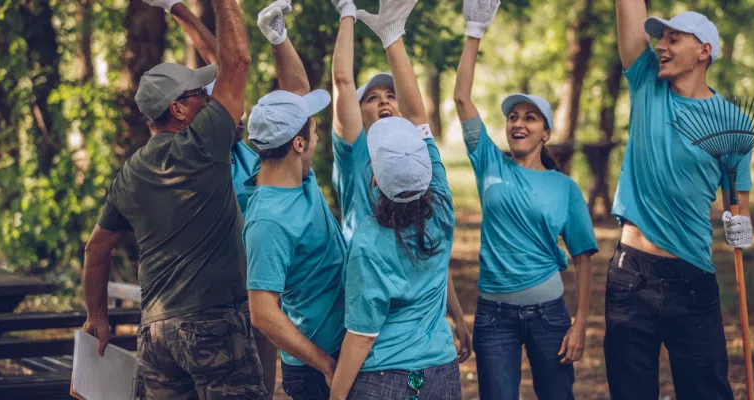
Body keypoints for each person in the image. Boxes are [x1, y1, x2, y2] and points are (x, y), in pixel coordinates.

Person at [81, 0, 269, 398]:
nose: (210, 97)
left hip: (157, 335)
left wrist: (97, 316)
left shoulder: (129, 174)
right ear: (179, 108)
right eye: (201, 92)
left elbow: (96, 250)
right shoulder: (202, 145)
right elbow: (237, 61)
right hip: (214, 326)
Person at [606, 2, 753, 399]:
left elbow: (739, 200)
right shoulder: (645, 85)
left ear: (703, 51)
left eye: (674, 38)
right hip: (630, 275)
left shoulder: (735, 124)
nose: (661, 46)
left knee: (707, 391)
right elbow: (629, 11)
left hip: (692, 278)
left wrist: (742, 226)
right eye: (660, 38)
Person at [452, 1, 599, 399]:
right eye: (514, 116)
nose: (518, 123)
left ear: (545, 133)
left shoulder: (564, 188)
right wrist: (474, 32)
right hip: (493, 317)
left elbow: (583, 258)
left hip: (549, 315)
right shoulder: (489, 165)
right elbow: (462, 98)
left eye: (530, 118)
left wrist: (580, 322)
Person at [140, 0, 280, 394]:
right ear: (184, 113)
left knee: (261, 386)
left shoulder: (243, 153)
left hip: (259, 287)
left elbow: (221, 63)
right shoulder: (201, 156)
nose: (234, 108)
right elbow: (229, 65)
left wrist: (178, 10)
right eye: (209, 99)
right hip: (220, 305)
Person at [329, 1, 462, 399]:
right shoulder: (437, 197)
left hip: (379, 363)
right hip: (436, 364)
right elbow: (344, 85)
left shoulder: (371, 242)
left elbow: (362, 336)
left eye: (391, 95)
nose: (385, 101)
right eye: (374, 98)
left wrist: (347, 12)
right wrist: (391, 35)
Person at [243, 2, 346, 399]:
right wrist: (325, 363)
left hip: (342, 347)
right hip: (315, 367)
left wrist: (277, 37)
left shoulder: (288, 167)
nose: (318, 139)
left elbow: (298, 93)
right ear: (299, 143)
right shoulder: (269, 221)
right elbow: (263, 313)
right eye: (314, 132)